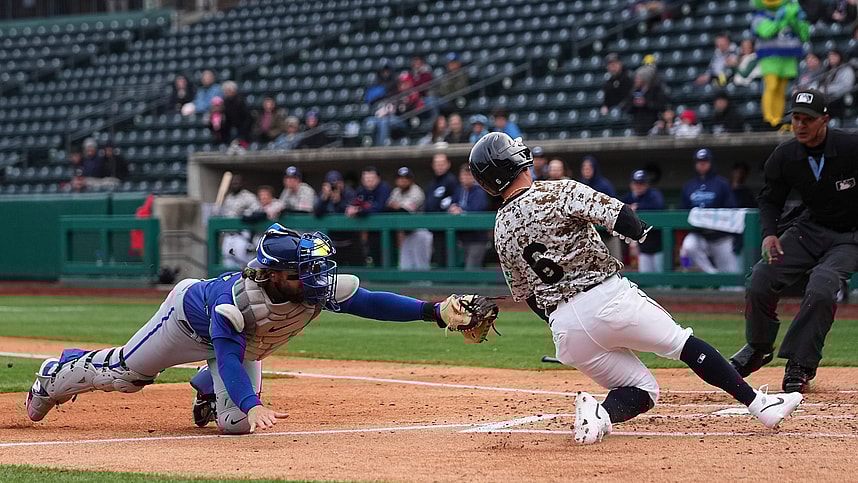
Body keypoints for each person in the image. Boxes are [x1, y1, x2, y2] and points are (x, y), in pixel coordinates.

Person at [467, 132, 801, 445]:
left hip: (566, 330)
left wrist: (562, 319)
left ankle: (599, 416)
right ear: (515, 159)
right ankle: (760, 405)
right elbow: (620, 214)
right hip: (608, 298)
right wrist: (639, 231)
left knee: (641, 388)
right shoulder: (558, 190)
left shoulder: (500, 227)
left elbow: (527, 296)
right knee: (683, 344)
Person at [26, 223, 480, 434]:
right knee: (127, 377)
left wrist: (433, 311)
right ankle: (54, 376)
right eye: (305, 271)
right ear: (275, 274)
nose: (317, 279)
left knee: (236, 427)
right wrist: (252, 400)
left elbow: (370, 303)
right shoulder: (236, 303)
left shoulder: (310, 289)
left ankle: (206, 390)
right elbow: (227, 353)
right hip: (187, 320)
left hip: (241, 345)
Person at [730, 89, 858, 393]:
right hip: (810, 229)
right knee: (761, 277)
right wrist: (770, 235)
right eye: (796, 118)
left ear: (825, 120)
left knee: (822, 287)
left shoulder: (851, 146)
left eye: (808, 120)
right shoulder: (786, 156)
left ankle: (800, 364)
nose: (800, 125)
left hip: (850, 236)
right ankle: (758, 347)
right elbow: (770, 199)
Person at [679, 148, 738, 274]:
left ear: (710, 162)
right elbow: (683, 211)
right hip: (699, 234)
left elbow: (731, 208)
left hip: (720, 236)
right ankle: (712, 274)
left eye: (705, 161)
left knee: (730, 275)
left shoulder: (722, 184)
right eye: (699, 161)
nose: (702, 164)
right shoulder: (689, 186)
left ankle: (724, 284)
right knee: (689, 246)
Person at [387, 166, 432, 270]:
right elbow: (388, 207)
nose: (402, 181)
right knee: (405, 265)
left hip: (420, 231)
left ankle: (425, 284)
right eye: (400, 178)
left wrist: (396, 205)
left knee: (421, 264)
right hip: (407, 233)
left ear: (410, 180)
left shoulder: (416, 191)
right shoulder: (396, 191)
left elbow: (405, 210)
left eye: (405, 178)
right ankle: (409, 286)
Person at [313, 170, 362, 266]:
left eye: (337, 183)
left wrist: (338, 201)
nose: (335, 187)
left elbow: (349, 212)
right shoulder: (323, 195)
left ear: (342, 183)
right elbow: (317, 213)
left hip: (350, 241)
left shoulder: (349, 193)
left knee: (356, 271)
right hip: (331, 242)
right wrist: (325, 198)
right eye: (332, 184)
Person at [620, 170, 664, 272]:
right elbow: (618, 204)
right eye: (636, 183)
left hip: (658, 244)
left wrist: (638, 208)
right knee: (646, 276)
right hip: (643, 246)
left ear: (647, 184)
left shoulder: (653, 194)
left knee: (661, 276)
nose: (638, 186)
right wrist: (629, 208)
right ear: (632, 184)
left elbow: (658, 205)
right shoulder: (629, 196)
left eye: (641, 183)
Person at [448, 164, 490, 269]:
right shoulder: (458, 190)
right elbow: (452, 205)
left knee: (471, 267)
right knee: (459, 268)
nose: (466, 178)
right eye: (464, 175)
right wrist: (452, 209)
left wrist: (461, 211)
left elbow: (477, 210)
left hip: (477, 238)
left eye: (469, 176)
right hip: (462, 238)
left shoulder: (480, 192)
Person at [425, 153, 460, 267]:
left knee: (449, 257)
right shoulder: (432, 183)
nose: (439, 166)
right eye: (437, 164)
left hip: (448, 228)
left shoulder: (451, 181)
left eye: (442, 163)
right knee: (438, 257)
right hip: (434, 227)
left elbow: (455, 201)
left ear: (448, 164)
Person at [219, 175, 260, 268]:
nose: (235, 185)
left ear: (242, 184)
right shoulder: (228, 198)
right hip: (229, 234)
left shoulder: (248, 196)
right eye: (233, 183)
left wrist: (246, 215)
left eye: (237, 183)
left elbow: (257, 211)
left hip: (242, 234)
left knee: (242, 262)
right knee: (227, 261)